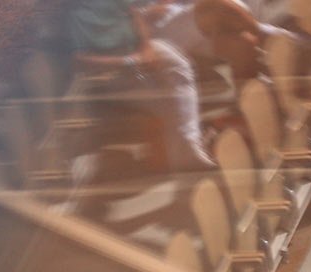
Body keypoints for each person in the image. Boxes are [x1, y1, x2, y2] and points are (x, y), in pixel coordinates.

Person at [66, 0, 217, 172]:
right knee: (169, 90)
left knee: (176, 66)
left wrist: (146, 47)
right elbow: (78, 61)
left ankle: (188, 148)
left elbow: (135, 15)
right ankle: (187, 150)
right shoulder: (74, 15)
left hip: (137, 56)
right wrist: (126, 61)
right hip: (110, 75)